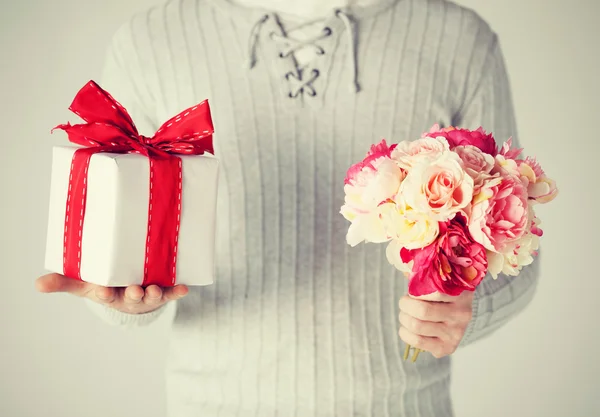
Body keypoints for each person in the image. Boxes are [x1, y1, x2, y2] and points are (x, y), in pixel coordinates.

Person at [36, 0, 541, 415]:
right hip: (211, 404)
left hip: (401, 406)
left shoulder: (460, 41)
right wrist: (118, 298)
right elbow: (118, 253)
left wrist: (466, 310)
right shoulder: (150, 40)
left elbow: (518, 252)